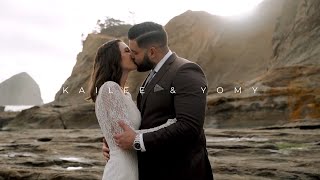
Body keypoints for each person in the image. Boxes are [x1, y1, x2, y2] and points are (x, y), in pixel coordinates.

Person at [104, 22, 214, 180]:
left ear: (152, 52)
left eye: (135, 52)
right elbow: (146, 121)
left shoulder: (185, 71)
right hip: (155, 171)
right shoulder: (151, 76)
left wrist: (137, 140)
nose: (132, 56)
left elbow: (189, 126)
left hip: (181, 171)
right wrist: (114, 144)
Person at [87, 39, 176, 180]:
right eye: (127, 51)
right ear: (113, 58)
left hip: (133, 169)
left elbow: (128, 135)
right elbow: (125, 138)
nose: (132, 54)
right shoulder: (109, 88)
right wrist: (170, 126)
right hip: (121, 171)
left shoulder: (125, 95)